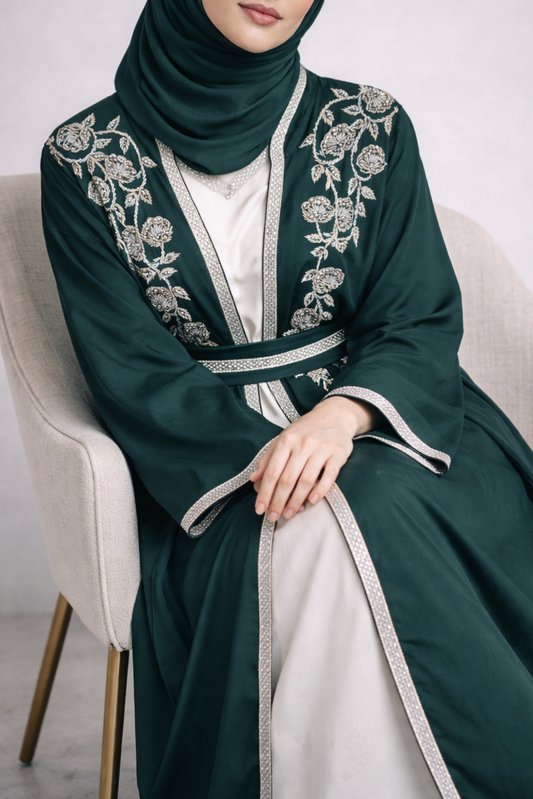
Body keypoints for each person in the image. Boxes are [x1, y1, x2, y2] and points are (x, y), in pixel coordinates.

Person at [40, 0, 533, 796]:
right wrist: (270, 455)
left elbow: (415, 312)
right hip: (203, 460)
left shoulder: (369, 125)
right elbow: (129, 367)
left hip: (386, 421)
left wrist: (341, 415)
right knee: (312, 528)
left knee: (363, 501)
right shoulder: (83, 158)